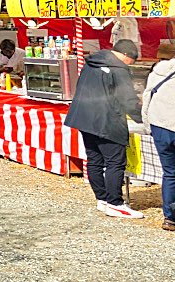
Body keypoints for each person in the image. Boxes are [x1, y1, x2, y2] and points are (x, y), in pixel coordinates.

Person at [64, 39, 144, 219]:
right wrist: (143, 118)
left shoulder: (92, 61)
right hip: (107, 120)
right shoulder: (118, 69)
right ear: (126, 55)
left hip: (84, 117)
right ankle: (115, 203)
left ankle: (102, 199)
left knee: (94, 160)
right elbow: (127, 100)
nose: (131, 65)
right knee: (115, 162)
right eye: (132, 61)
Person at [142, 39, 175, 232]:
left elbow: (147, 100)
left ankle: (170, 219)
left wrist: (148, 127)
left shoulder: (156, 73)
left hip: (160, 126)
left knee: (170, 173)